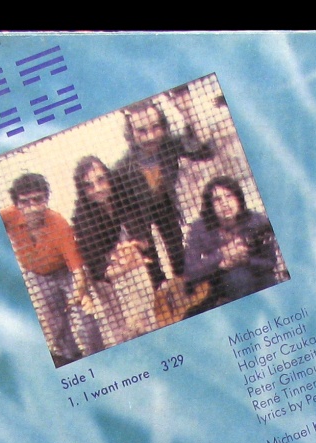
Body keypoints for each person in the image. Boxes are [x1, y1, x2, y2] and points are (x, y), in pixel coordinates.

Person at [111, 98, 214, 306]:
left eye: (155, 127)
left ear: (164, 126)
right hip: (136, 212)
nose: (150, 136)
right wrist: (133, 234)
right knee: (151, 259)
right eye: (142, 131)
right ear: (131, 134)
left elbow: (204, 151)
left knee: (177, 248)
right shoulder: (123, 166)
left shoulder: (169, 145)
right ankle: (164, 298)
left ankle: (189, 292)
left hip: (164, 203)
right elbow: (118, 203)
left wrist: (188, 110)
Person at [0, 172, 101, 366]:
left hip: (66, 272)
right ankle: (71, 359)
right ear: (16, 204)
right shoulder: (8, 216)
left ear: (46, 199)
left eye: (38, 200)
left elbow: (77, 269)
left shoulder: (59, 224)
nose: (32, 208)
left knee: (85, 319)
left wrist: (79, 293)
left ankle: (98, 356)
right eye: (25, 202)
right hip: (37, 275)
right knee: (55, 324)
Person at [71, 156, 156, 346]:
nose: (97, 189)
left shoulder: (123, 196)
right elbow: (96, 266)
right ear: (82, 190)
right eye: (89, 185)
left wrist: (136, 247)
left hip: (134, 264)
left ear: (108, 177)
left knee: (147, 320)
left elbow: (142, 235)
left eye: (101, 180)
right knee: (125, 331)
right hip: (108, 278)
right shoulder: (82, 217)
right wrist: (120, 265)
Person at [182, 177, 279, 315]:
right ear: (210, 205)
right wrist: (222, 255)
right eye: (217, 200)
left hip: (256, 274)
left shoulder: (257, 221)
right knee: (237, 278)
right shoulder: (199, 227)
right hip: (215, 283)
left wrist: (246, 260)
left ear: (238, 198)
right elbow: (190, 270)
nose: (225, 203)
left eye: (229, 196)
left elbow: (270, 262)